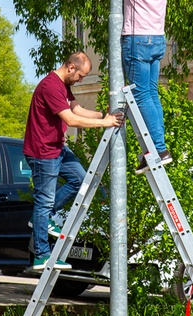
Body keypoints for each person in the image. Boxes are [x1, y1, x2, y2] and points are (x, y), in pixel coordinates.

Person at [24, 52, 123, 270]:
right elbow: (71, 119)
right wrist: (106, 124)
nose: (81, 80)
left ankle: (43, 217)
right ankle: (42, 255)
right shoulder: (50, 86)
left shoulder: (63, 86)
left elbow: (76, 109)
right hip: (43, 152)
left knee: (80, 180)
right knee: (44, 201)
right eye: (80, 75)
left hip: (58, 148)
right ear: (70, 68)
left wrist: (101, 115)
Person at [95, 0, 174, 172]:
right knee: (150, 93)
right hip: (156, 38)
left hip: (136, 38)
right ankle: (156, 148)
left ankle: (158, 150)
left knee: (140, 96)